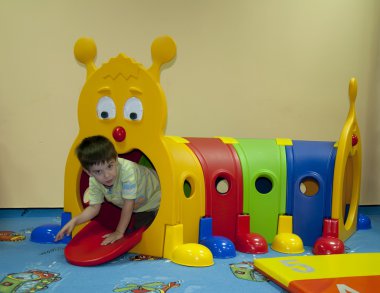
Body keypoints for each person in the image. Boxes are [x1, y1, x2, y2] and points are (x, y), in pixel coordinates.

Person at [54, 135, 161, 245]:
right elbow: (94, 208)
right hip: (143, 207)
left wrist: (119, 232)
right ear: (89, 172)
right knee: (138, 236)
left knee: (155, 237)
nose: (107, 175)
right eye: (98, 172)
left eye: (110, 166)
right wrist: (75, 221)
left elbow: (128, 204)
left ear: (116, 158)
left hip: (161, 197)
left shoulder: (128, 172)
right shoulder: (94, 181)